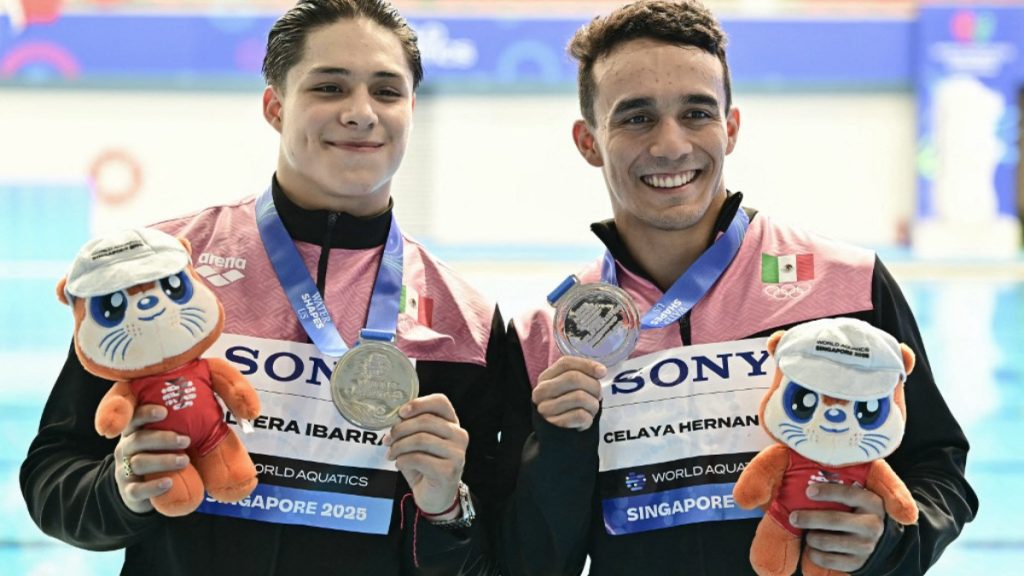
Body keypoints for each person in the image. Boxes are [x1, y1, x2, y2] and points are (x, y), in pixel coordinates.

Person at [20, 1, 505, 574]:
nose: (360, 113)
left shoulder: (464, 324)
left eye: (387, 91)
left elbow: (492, 558)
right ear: (275, 106)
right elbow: (53, 480)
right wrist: (123, 484)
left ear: (411, 111)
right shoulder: (165, 272)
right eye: (329, 88)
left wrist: (449, 509)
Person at [498, 1, 978, 575]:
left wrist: (888, 543)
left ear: (730, 127)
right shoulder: (546, 339)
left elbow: (939, 470)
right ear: (588, 141)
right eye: (635, 117)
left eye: (697, 113)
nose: (671, 145)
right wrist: (560, 447)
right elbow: (530, 561)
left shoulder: (845, 285)